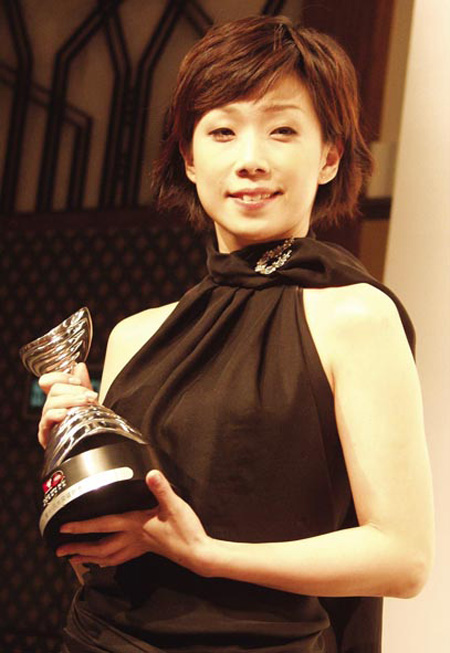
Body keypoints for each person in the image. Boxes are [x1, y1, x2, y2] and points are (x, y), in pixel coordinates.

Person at [37, 15, 434, 653]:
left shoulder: (355, 316)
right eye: (222, 131)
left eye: (283, 130)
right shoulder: (136, 335)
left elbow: (403, 558)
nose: (250, 160)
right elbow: (99, 560)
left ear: (329, 156)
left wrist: (207, 555)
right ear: (190, 159)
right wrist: (73, 461)